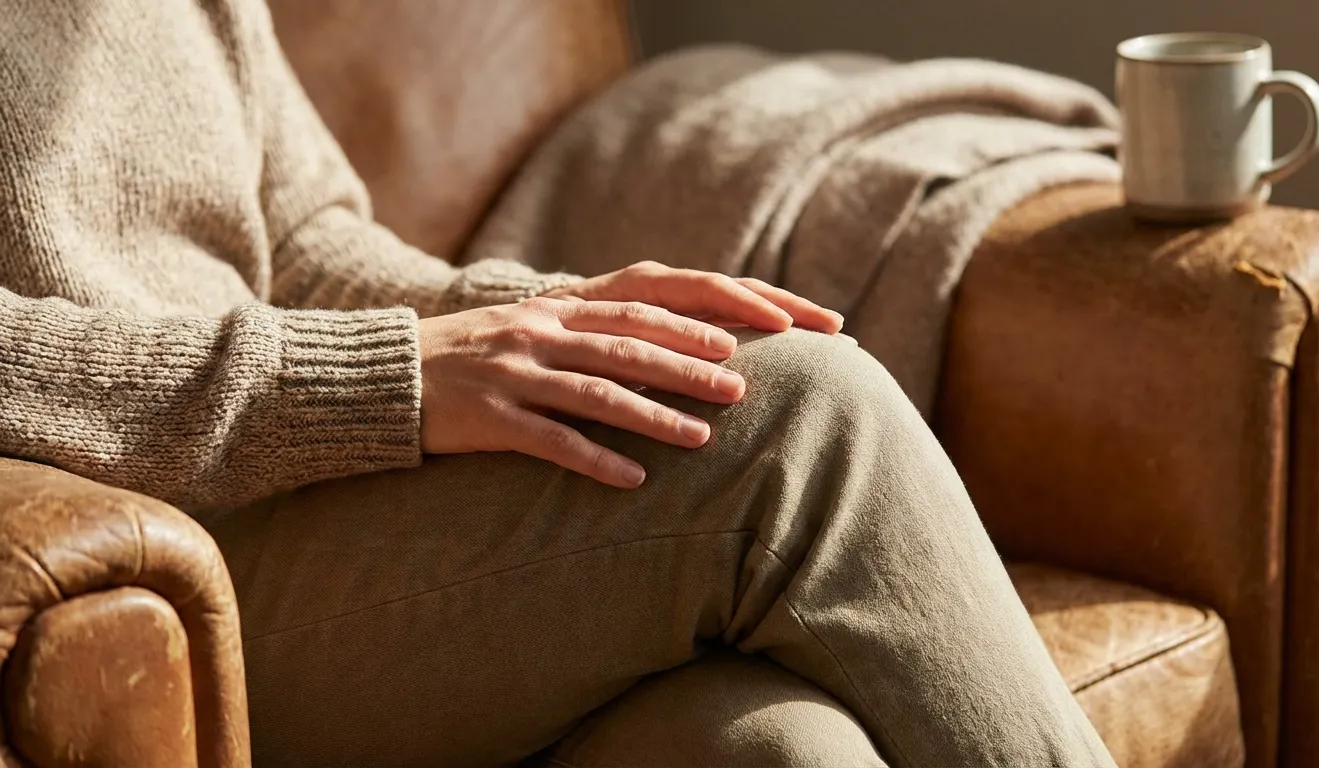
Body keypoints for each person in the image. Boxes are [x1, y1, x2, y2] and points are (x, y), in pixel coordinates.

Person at [0, 0, 1115, 765]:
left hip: (300, 492)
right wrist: (380, 380)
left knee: (771, 745)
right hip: (125, 563)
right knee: (805, 421)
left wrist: (556, 322)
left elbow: (302, 242)